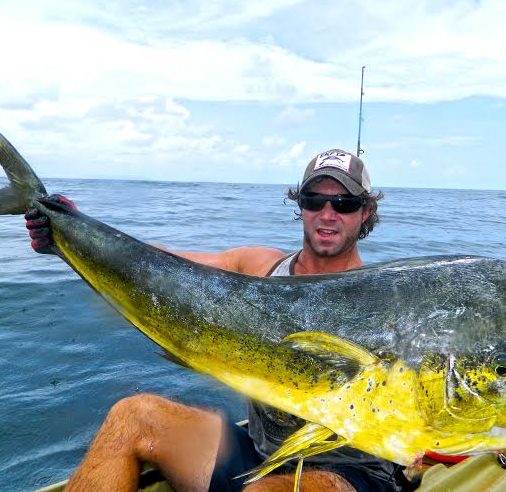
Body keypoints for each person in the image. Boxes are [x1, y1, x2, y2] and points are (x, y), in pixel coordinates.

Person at [25, 149, 395, 492]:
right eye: (315, 200)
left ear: (365, 213)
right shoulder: (260, 266)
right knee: (133, 417)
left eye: (344, 203)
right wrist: (68, 232)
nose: (328, 214)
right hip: (260, 457)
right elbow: (162, 263)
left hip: (350, 474)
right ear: (301, 206)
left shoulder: (383, 299)